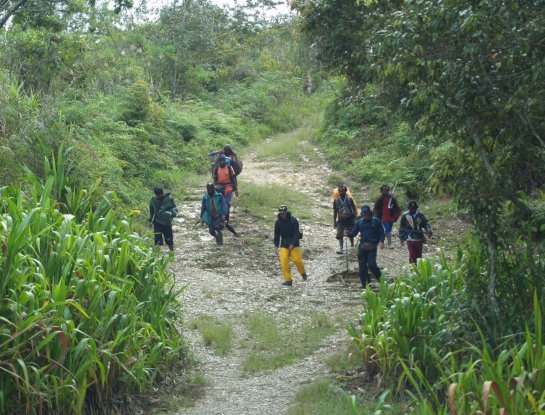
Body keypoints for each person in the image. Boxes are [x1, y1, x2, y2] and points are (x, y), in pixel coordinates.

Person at [346, 205, 384, 290]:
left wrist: (381, 241)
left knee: (372, 265)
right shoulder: (359, 222)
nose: (365, 215)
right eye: (364, 214)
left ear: (370, 213)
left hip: (372, 246)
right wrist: (348, 234)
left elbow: (382, 232)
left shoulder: (376, 221)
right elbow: (353, 233)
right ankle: (366, 286)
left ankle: (382, 281)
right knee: (362, 267)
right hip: (362, 247)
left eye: (367, 213)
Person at [274, 205, 308, 286]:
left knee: (297, 260)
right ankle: (288, 280)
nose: (283, 215)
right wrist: (276, 245)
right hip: (284, 244)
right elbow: (277, 234)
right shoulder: (278, 222)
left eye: (284, 213)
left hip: (294, 243)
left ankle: (303, 273)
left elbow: (296, 233)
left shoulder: (293, 220)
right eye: (281, 213)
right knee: (284, 261)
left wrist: (293, 244)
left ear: (287, 212)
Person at [212, 154, 239, 235]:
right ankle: (220, 220)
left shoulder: (229, 168)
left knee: (226, 204)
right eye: (220, 161)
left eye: (223, 161)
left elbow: (234, 178)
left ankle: (226, 220)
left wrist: (236, 188)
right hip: (219, 187)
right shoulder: (216, 169)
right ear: (218, 162)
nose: (222, 162)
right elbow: (215, 180)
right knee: (219, 204)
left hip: (228, 187)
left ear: (225, 161)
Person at [149, 186, 178, 252]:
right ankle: (156, 254)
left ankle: (172, 253)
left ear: (162, 193)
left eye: (160, 194)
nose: (159, 196)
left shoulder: (169, 198)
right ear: (155, 194)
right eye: (157, 195)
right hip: (157, 222)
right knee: (157, 240)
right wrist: (151, 220)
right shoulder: (153, 199)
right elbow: (151, 210)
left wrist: (170, 214)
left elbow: (175, 208)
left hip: (167, 222)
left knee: (169, 239)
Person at [373, 184, 401, 249]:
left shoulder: (392, 198)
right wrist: (376, 217)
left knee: (388, 230)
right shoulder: (379, 199)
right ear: (382, 191)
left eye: (386, 190)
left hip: (390, 217)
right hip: (382, 217)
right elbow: (376, 208)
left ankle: (380, 240)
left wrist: (395, 217)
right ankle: (389, 243)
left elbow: (396, 208)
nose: (385, 191)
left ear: (388, 190)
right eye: (383, 190)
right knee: (387, 229)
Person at [333, 185, 357, 254]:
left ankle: (352, 246)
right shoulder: (336, 201)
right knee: (340, 234)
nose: (341, 192)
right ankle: (341, 249)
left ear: (346, 191)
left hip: (350, 219)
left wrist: (355, 218)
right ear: (338, 192)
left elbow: (354, 209)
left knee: (351, 233)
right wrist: (334, 222)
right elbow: (335, 212)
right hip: (341, 220)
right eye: (340, 191)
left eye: (343, 191)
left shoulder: (349, 199)